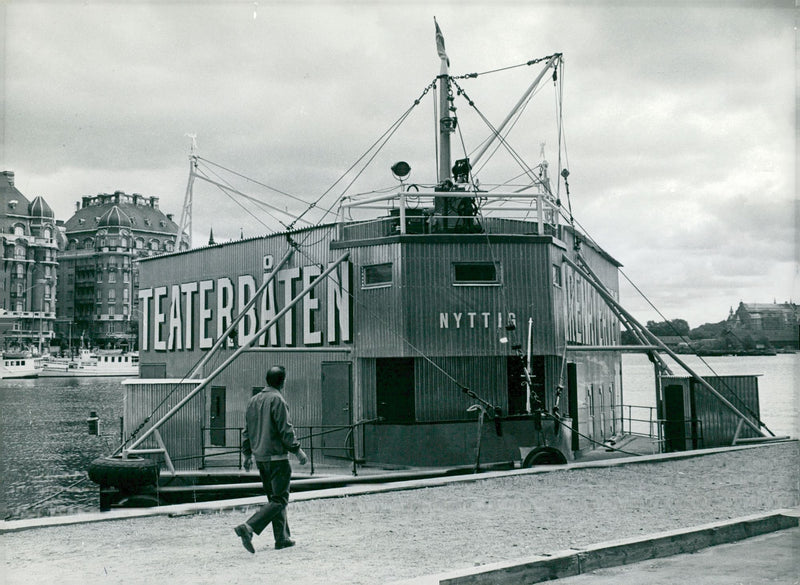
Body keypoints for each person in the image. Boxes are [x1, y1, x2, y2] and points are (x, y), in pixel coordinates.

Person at [234, 365, 308, 553]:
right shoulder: (278, 400)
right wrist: (298, 451)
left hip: (261, 459)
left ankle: (282, 538)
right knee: (280, 499)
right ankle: (249, 527)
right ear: (283, 381)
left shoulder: (253, 401)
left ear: (267, 380)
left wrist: (247, 454)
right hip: (278, 459)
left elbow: (246, 432)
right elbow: (286, 430)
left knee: (273, 500)